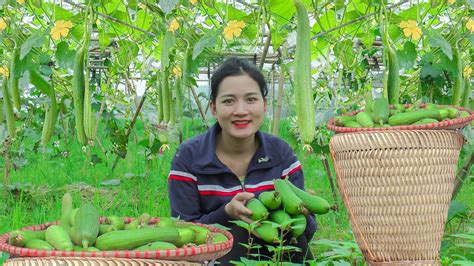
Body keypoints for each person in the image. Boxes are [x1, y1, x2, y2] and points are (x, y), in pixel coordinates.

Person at [168, 57, 316, 264]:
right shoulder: (189, 158)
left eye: (251, 99)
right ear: (213, 107)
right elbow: (183, 232)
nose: (240, 111)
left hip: (282, 258)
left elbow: (304, 233)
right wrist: (226, 214)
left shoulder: (282, 154)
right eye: (228, 101)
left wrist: (305, 213)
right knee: (236, 235)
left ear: (264, 105)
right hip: (216, 259)